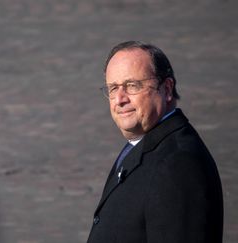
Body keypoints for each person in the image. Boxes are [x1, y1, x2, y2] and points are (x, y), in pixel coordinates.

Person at [86, 41, 223, 243]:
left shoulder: (178, 164)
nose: (120, 99)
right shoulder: (145, 143)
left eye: (132, 86)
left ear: (166, 89)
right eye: (113, 88)